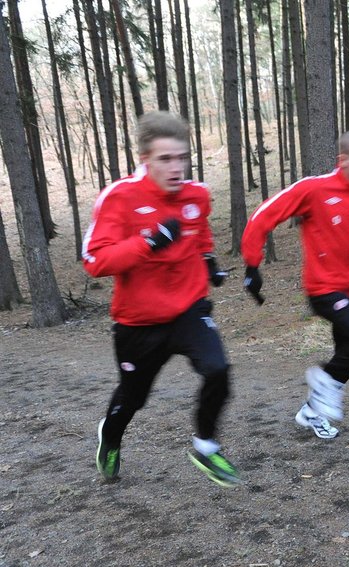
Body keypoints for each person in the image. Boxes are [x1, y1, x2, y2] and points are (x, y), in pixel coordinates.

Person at [83, 111, 241, 486]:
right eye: (165, 159)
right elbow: (94, 260)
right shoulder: (119, 198)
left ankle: (205, 447)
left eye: (181, 157)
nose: (176, 168)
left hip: (189, 309)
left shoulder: (197, 195)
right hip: (138, 322)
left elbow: (199, 236)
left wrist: (209, 264)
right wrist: (149, 241)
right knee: (133, 399)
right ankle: (111, 436)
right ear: (145, 159)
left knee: (218, 370)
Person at [241, 131, 349, 440]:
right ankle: (322, 383)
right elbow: (262, 216)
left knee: (348, 352)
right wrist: (252, 265)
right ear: (343, 161)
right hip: (324, 289)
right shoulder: (315, 189)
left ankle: (312, 411)